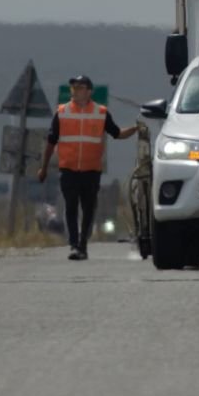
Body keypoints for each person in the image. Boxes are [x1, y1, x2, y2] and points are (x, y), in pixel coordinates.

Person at [37, 75, 137, 260]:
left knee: (89, 208)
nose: (76, 91)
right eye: (73, 88)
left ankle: (83, 243)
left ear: (89, 91)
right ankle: (75, 245)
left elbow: (117, 133)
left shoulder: (100, 113)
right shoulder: (62, 112)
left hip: (91, 170)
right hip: (69, 169)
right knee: (71, 207)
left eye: (80, 87)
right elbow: (51, 142)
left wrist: (135, 128)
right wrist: (43, 168)